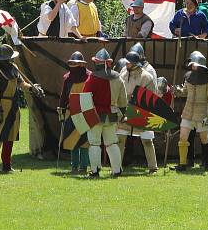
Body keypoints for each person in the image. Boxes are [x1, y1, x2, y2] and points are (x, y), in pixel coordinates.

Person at [0, 44, 34, 173]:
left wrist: (31, 87)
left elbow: (20, 83)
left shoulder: (13, 68)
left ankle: (7, 164)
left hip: (13, 104)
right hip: (0, 105)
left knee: (10, 136)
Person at [83, 49, 128, 177]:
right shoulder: (118, 78)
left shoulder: (92, 78)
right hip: (112, 114)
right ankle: (117, 170)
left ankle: (95, 171)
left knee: (94, 143)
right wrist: (123, 113)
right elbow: (123, 99)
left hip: (95, 114)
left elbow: (85, 97)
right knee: (111, 142)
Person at [173, 51, 208, 172]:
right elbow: (185, 91)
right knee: (183, 137)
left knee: (204, 138)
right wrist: (178, 91)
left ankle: (206, 163)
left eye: (192, 64)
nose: (191, 66)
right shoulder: (188, 76)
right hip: (188, 112)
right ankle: (183, 164)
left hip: (202, 113)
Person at [117, 51, 160, 173]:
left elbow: (151, 97)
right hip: (125, 110)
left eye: (129, 62)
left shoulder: (147, 77)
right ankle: (117, 167)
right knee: (120, 140)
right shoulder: (123, 72)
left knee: (147, 141)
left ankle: (153, 167)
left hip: (141, 112)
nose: (126, 64)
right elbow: (120, 90)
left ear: (135, 64)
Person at [59, 52, 91, 173]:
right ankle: (74, 166)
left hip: (85, 111)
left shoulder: (89, 77)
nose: (73, 66)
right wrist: (61, 108)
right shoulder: (68, 78)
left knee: (84, 141)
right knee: (72, 139)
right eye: (72, 63)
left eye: (76, 64)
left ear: (82, 65)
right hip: (71, 111)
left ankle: (83, 166)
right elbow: (64, 95)